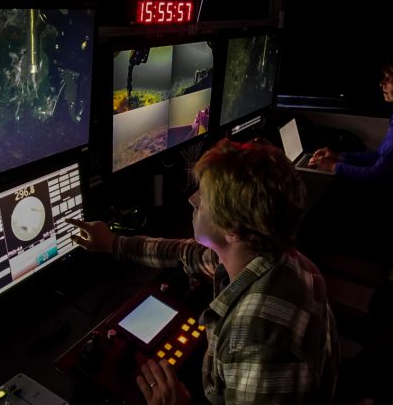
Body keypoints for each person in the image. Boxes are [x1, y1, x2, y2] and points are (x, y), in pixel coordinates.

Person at [67, 138, 340, 405]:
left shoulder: (255, 340)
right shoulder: (281, 257)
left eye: (205, 196)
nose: (193, 200)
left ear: (232, 229)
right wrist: (114, 243)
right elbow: (184, 253)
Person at [303, 51, 393, 257]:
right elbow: (380, 156)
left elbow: (375, 175)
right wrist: (340, 156)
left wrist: (332, 166)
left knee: (323, 207)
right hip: (392, 192)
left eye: (389, 78)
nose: (382, 83)